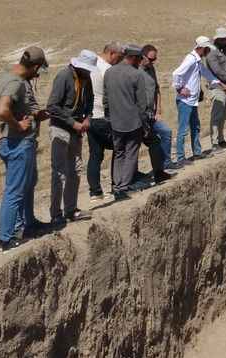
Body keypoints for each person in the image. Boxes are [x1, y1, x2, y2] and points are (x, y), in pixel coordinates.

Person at [0, 46, 49, 252]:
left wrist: (4, 128)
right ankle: (5, 238)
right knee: (15, 190)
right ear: (34, 66)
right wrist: (17, 126)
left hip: (17, 141)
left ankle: (28, 224)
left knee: (27, 183)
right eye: (39, 70)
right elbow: (2, 109)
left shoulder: (5, 77)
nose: (38, 74)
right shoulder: (15, 83)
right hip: (19, 143)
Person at [46, 49, 97, 225]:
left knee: (75, 171)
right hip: (61, 128)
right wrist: (72, 122)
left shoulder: (85, 78)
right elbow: (52, 106)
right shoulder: (64, 76)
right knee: (59, 173)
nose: (89, 72)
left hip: (77, 129)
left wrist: (87, 118)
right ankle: (55, 214)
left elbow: (90, 100)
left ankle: (71, 209)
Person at [171, 36, 226, 168]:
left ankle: (197, 153)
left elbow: (207, 74)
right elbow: (176, 74)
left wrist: (221, 84)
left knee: (195, 127)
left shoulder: (198, 61)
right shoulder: (191, 59)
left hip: (192, 101)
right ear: (201, 48)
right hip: (185, 101)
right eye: (207, 49)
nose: (208, 51)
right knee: (183, 129)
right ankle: (181, 158)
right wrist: (180, 88)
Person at [103, 45, 149, 200]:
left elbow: (105, 100)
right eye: (139, 59)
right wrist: (145, 124)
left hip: (115, 122)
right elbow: (142, 104)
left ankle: (116, 186)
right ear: (134, 58)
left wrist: (109, 118)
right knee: (131, 154)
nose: (140, 62)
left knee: (118, 153)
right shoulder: (136, 75)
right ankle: (124, 187)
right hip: (133, 122)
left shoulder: (109, 72)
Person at [87, 42, 124, 202]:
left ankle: (95, 191)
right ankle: (118, 186)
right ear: (111, 53)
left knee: (95, 155)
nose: (119, 61)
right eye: (119, 57)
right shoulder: (107, 70)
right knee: (120, 148)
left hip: (89, 117)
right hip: (103, 116)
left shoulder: (89, 65)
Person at [141, 44, 175, 170]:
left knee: (166, 132)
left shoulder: (151, 70)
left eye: (154, 59)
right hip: (140, 116)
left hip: (151, 114)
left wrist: (158, 109)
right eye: (150, 59)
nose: (152, 62)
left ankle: (166, 163)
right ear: (142, 56)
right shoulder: (136, 71)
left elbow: (157, 89)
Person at [206, 27, 226, 152]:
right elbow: (217, 71)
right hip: (217, 87)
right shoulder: (211, 52)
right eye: (224, 39)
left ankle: (221, 139)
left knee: (225, 114)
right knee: (217, 114)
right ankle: (214, 142)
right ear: (217, 39)